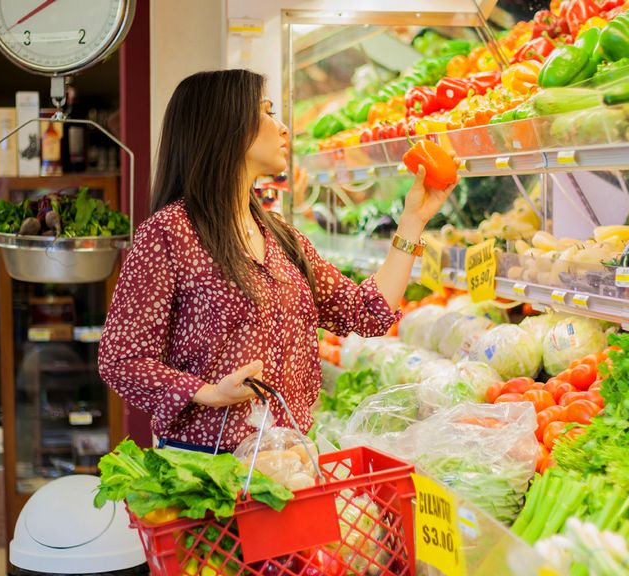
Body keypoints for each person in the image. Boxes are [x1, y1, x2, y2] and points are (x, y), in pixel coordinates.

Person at [98, 69, 457, 453]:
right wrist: (208, 393)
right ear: (226, 125)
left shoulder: (280, 236)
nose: (283, 127)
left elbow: (365, 311)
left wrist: (413, 220)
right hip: (206, 467)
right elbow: (121, 358)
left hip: (289, 461)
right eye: (267, 111)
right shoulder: (170, 233)